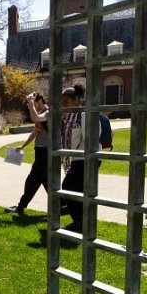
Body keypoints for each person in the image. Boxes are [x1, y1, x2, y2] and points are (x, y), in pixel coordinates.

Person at [6, 92, 49, 215]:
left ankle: (21, 206)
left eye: (34, 104)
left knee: (32, 180)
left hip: (45, 152)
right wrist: (23, 146)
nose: (31, 107)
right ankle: (63, 205)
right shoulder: (42, 115)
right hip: (41, 151)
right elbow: (36, 132)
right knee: (46, 180)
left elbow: (34, 118)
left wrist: (31, 103)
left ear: (40, 101)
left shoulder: (48, 113)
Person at [60, 85, 88, 233]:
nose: (63, 104)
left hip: (85, 158)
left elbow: (89, 137)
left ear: (76, 100)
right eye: (62, 102)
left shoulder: (82, 115)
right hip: (76, 158)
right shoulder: (69, 117)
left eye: (66, 101)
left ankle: (79, 220)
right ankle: (81, 221)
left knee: (67, 187)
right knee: (77, 190)